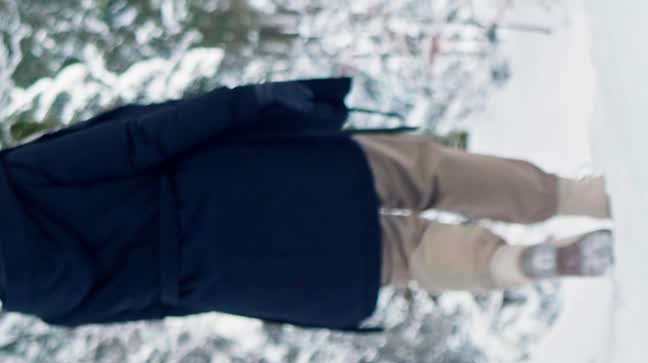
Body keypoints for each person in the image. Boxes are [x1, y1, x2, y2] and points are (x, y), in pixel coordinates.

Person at [0, 77, 613, 330]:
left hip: (225, 275)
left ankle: (512, 265)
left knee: (403, 255)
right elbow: (140, 139)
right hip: (230, 187)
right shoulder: (18, 179)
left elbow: (160, 307)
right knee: (416, 175)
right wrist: (253, 103)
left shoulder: (33, 301)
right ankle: (575, 197)